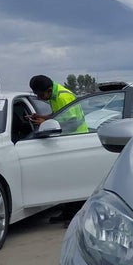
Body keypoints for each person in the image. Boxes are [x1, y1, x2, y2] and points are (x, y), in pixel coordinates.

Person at [28, 75, 88, 224]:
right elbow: (58, 115)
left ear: (48, 90)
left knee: (75, 182)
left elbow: (72, 123)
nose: (39, 98)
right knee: (66, 180)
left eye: (40, 94)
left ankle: (75, 217)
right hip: (67, 140)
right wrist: (42, 117)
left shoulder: (63, 97)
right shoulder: (54, 95)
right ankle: (67, 213)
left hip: (76, 140)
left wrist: (44, 123)